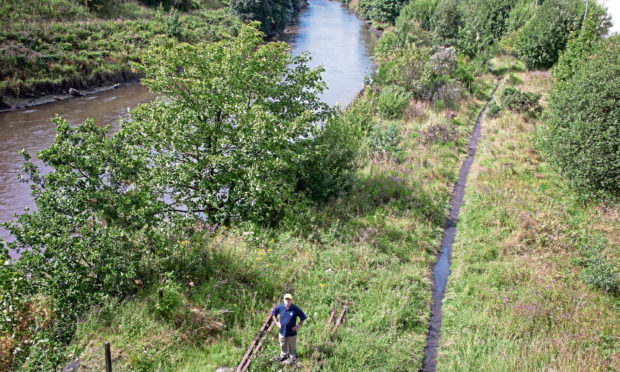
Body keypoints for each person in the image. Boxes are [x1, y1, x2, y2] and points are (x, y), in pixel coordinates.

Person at [272, 293, 307, 362]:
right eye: (286, 299)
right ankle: (283, 355)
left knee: (292, 345)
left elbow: (303, 318)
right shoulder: (279, 307)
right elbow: (274, 314)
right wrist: (277, 322)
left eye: (289, 299)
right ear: (283, 300)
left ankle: (292, 356)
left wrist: (298, 326)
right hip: (282, 332)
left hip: (292, 332)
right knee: (282, 344)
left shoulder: (295, 308)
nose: (287, 300)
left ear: (291, 300)